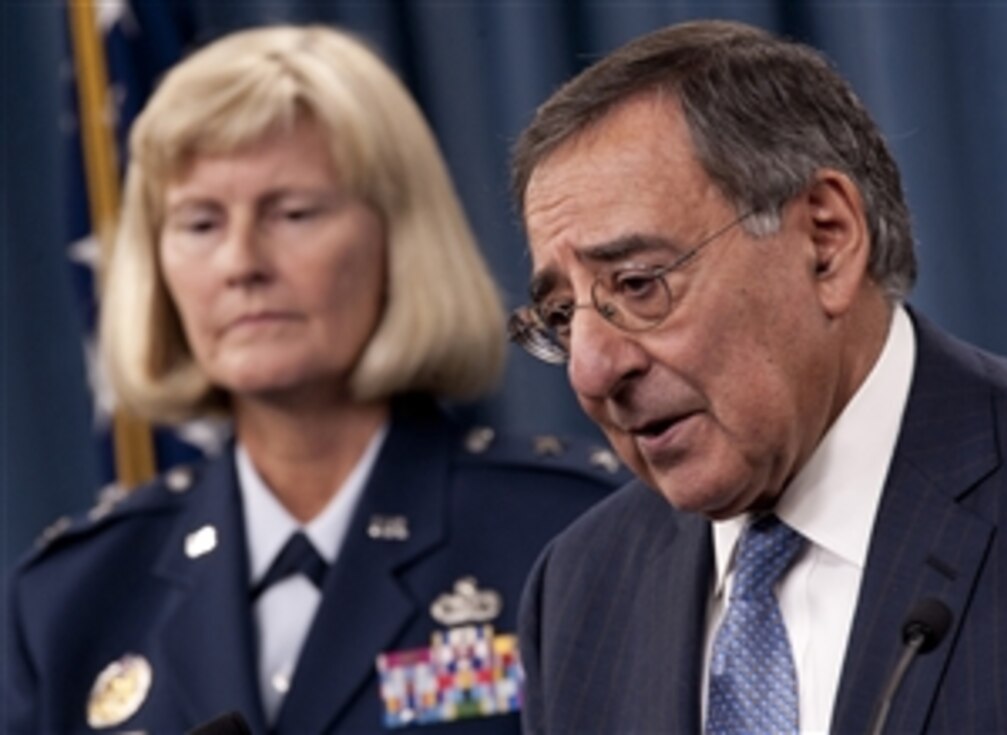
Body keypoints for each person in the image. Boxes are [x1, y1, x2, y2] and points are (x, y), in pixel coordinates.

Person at [4, 25, 626, 734]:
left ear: (398, 239)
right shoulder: (71, 597)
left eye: (292, 213)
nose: (242, 262)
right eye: (201, 223)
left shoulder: (570, 531)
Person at [507, 19, 1007, 735]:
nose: (593, 368)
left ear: (825, 241)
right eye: (562, 316)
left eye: (637, 283)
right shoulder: (578, 590)